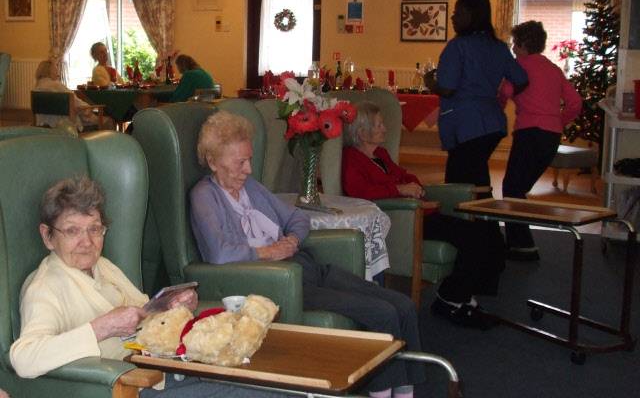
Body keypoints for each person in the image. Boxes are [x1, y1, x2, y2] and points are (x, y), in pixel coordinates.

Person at [190, 110, 425, 398]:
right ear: (213, 161)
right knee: (382, 312)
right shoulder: (205, 196)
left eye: (249, 159)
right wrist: (268, 252)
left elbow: (298, 219)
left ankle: (405, 393)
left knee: (402, 304)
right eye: (240, 162)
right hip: (280, 281)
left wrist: (290, 240)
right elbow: (218, 251)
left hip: (306, 266)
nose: (249, 169)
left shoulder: (251, 187)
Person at [9, 176, 284, 398]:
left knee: (272, 382)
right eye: (72, 231)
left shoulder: (102, 266)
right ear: (47, 236)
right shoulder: (44, 287)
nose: (87, 241)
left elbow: (142, 313)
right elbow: (24, 358)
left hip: (160, 371)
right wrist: (100, 328)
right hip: (129, 387)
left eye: (95, 229)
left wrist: (171, 307)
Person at [342, 101, 504, 329]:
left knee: (480, 233)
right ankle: (451, 298)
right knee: (474, 237)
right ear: (361, 131)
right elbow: (359, 192)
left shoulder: (381, 154)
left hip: (420, 211)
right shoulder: (351, 158)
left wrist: (410, 186)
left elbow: (407, 176)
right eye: (378, 125)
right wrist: (399, 189)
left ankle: (457, 296)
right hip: (403, 218)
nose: (384, 129)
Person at [424, 0, 528, 192]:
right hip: (492, 123)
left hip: (466, 124)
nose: (453, 17)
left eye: (458, 13)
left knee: (459, 184)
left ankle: (468, 222)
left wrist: (430, 82)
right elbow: (521, 80)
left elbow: (447, 89)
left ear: (473, 16)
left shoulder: (458, 46)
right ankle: (483, 221)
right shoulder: (499, 47)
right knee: (478, 177)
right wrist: (494, 94)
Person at [499, 21, 583, 261]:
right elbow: (576, 103)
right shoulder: (553, 69)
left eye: (516, 43)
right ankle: (519, 242)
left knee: (513, 188)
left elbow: (504, 94)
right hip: (551, 136)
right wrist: (557, 120)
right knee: (519, 187)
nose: (514, 48)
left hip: (529, 133)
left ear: (524, 44)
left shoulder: (517, 68)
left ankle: (522, 246)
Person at [33, 60, 113, 131]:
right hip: (67, 126)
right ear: (50, 71)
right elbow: (78, 103)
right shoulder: (57, 86)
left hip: (45, 125)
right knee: (108, 120)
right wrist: (89, 108)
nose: (58, 71)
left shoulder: (36, 89)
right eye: (56, 68)